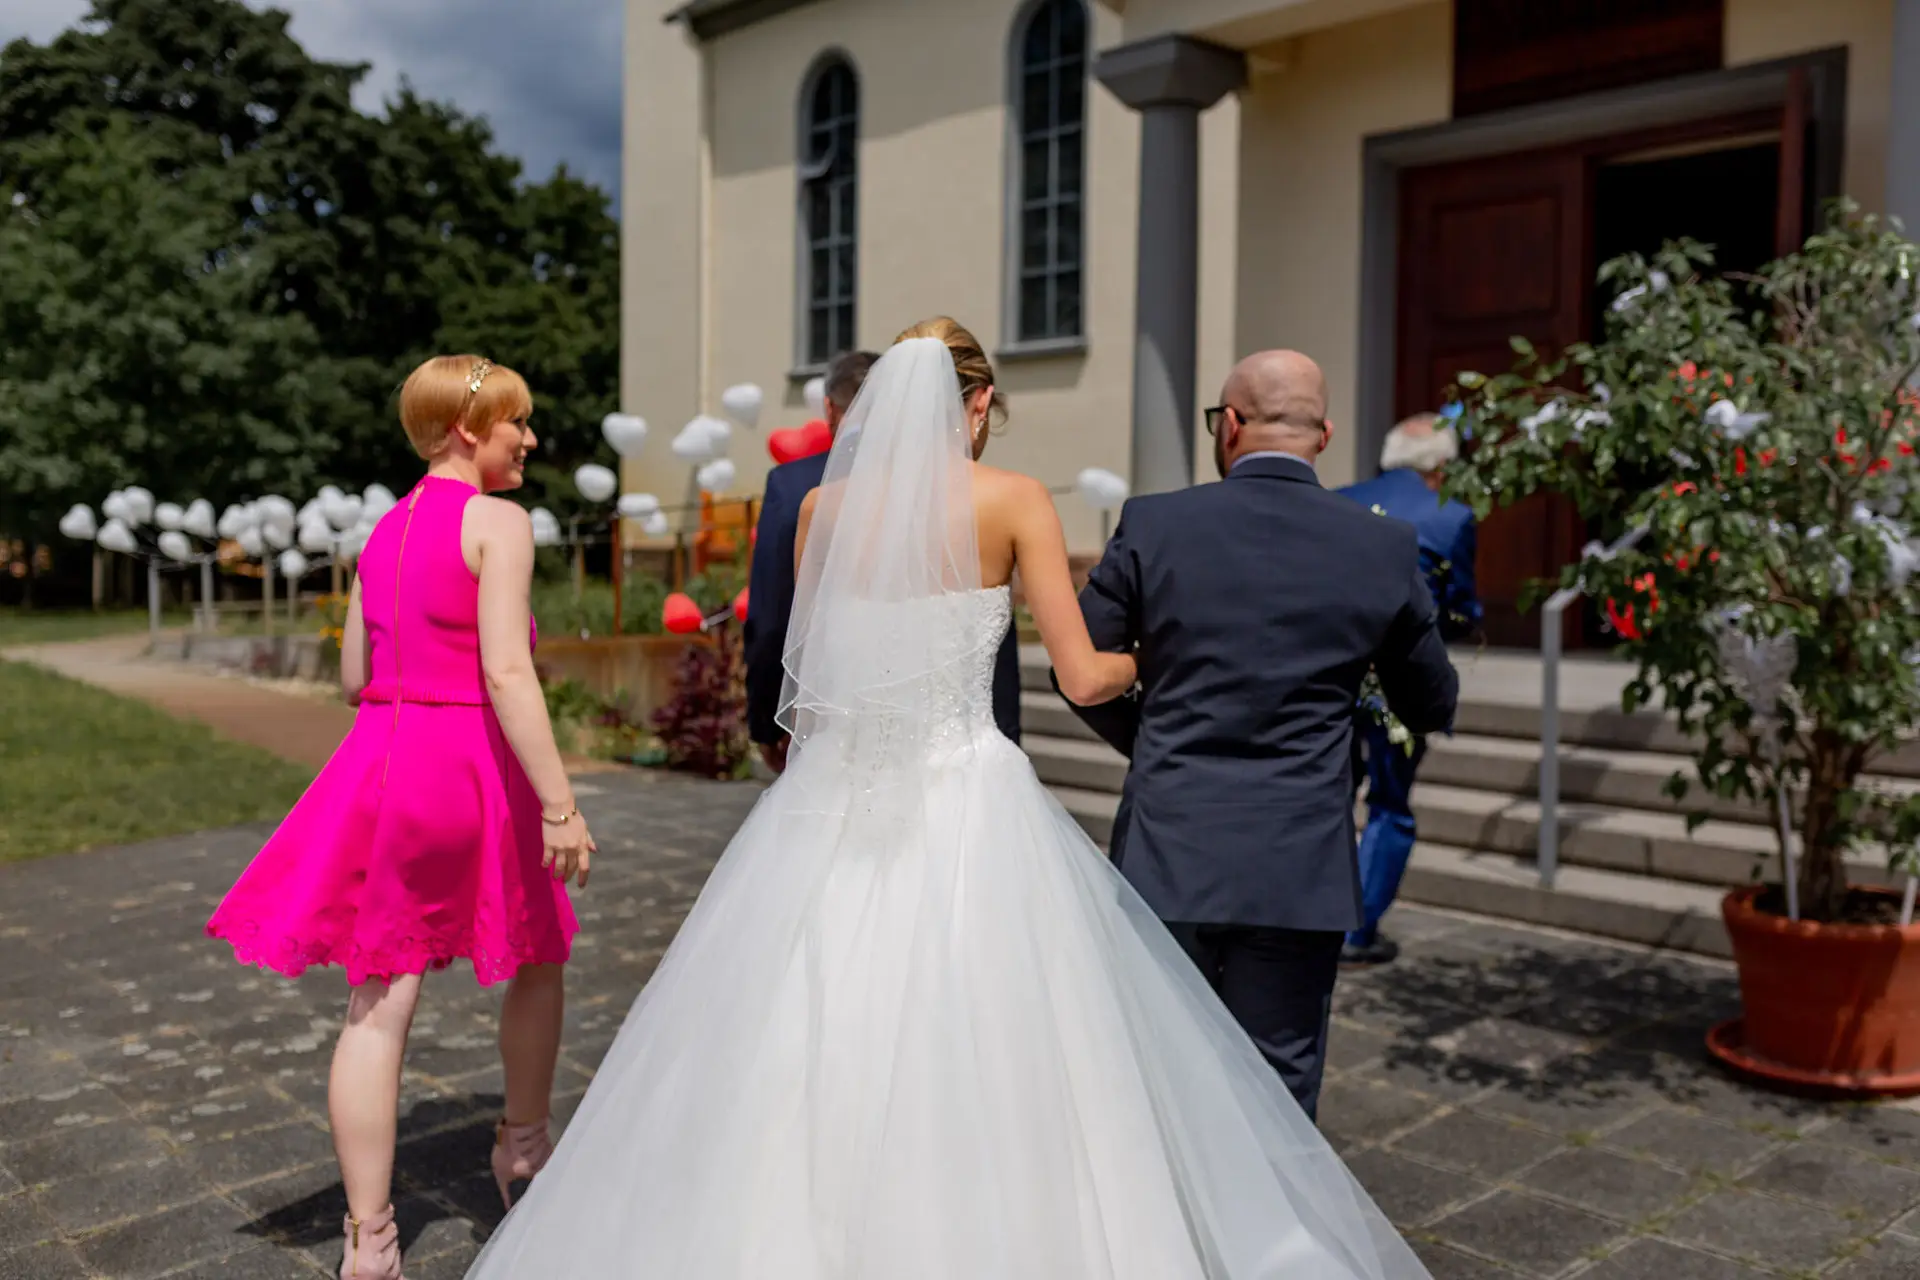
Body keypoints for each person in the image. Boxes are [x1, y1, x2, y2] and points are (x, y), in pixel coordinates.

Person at [464, 321, 1433, 1279]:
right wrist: (1179, 651)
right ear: (975, 406)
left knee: (799, 1025)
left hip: (834, 795)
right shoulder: (1012, 501)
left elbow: (818, 663)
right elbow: (1087, 674)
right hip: (967, 790)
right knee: (997, 1038)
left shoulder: (819, 513)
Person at [206, 356, 593, 1280]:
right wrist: (560, 803)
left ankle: (369, 1239)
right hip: (472, 770)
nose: (530, 439)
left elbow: (351, 679)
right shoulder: (500, 522)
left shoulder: (384, 530)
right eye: (518, 424)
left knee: (377, 1006)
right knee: (537, 955)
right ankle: (525, 1152)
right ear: (468, 429)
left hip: (388, 765)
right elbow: (506, 672)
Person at [1064, 351, 1458, 1123]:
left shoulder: (1156, 523)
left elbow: (1078, 667)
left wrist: (1151, 737)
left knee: (1157, 1079)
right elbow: (1432, 702)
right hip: (1296, 864)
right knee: (1276, 1092)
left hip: (1169, 847)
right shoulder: (1381, 546)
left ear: (1231, 425)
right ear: (1325, 434)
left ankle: (1165, 1242)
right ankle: (1269, 1242)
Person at [745, 349, 1020, 773]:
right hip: (963, 747)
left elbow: (774, 618)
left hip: (845, 748)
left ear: (830, 409)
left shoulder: (796, 487)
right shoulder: (985, 493)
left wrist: (769, 722)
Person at [1337, 412, 1482, 966]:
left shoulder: (1339, 498)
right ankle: (1357, 929)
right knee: (1390, 802)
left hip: (1331, 667)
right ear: (1440, 466)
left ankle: (1316, 915)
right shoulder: (1452, 515)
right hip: (1400, 677)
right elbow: (1460, 601)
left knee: (1331, 790)